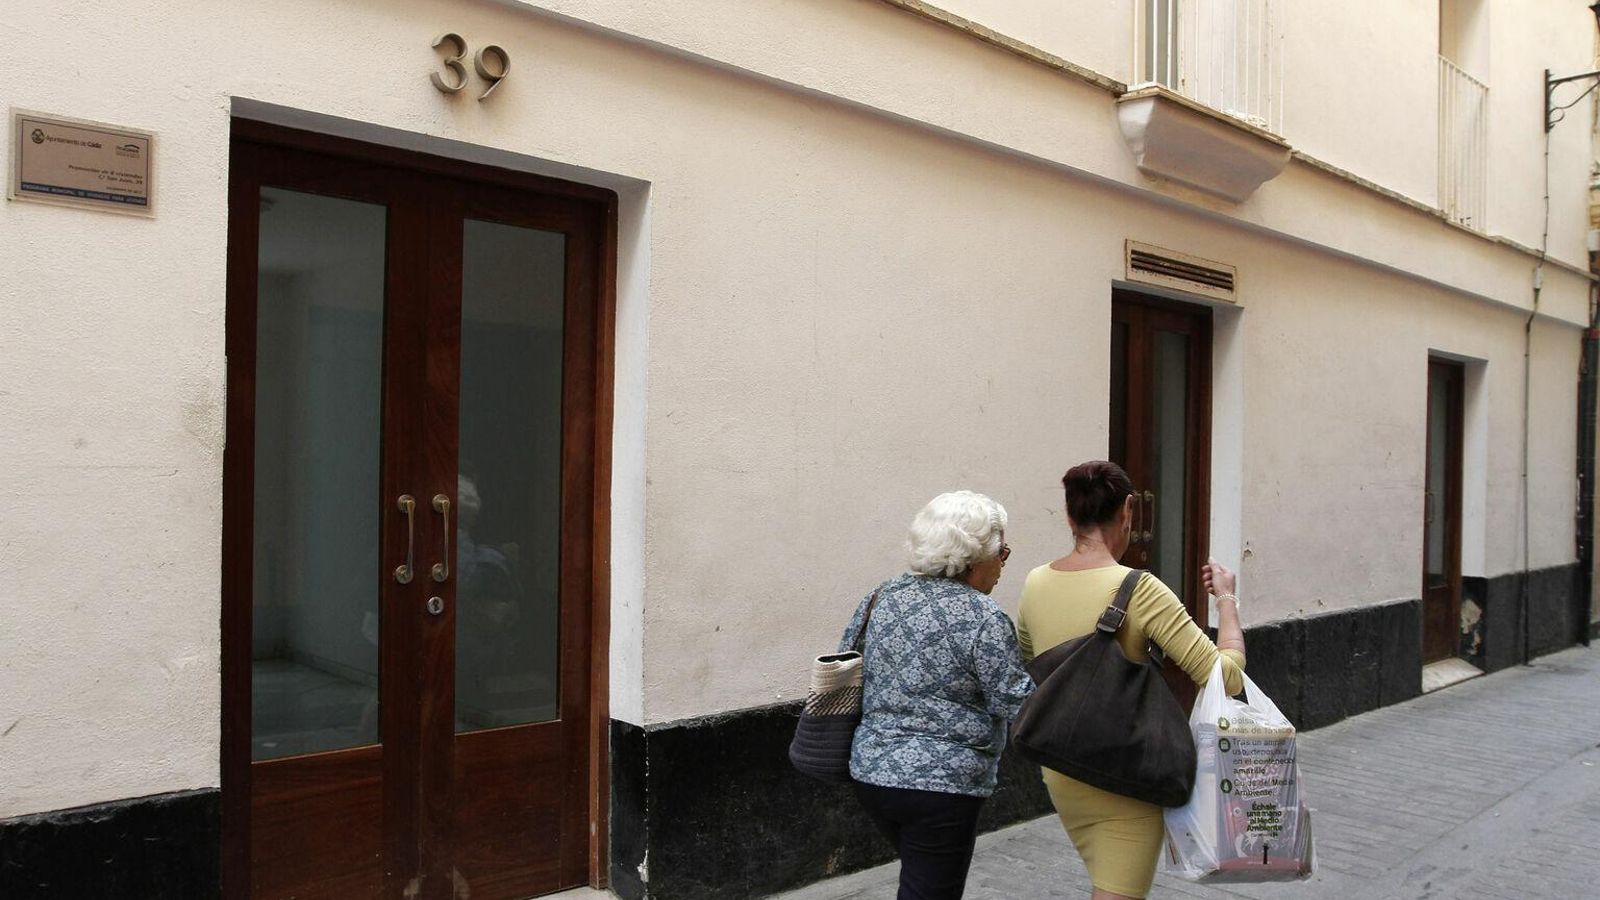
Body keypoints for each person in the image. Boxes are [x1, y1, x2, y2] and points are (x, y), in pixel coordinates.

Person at [1017, 461, 1246, 900]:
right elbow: (1226, 679)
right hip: (1123, 775)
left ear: (1070, 516)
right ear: (1128, 511)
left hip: (1062, 767)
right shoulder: (1140, 589)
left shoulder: (1035, 582)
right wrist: (1228, 602)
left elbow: (1036, 664)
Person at [839, 490, 1034, 900]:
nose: (1002, 565)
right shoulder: (984, 617)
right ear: (973, 557)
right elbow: (1014, 702)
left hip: (872, 774)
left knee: (919, 876)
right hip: (943, 788)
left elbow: (848, 662)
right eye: (1001, 553)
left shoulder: (882, 595)